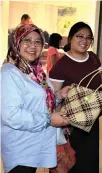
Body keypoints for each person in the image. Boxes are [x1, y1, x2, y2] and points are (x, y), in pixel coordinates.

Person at [49, 21, 102, 173]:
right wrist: (61, 124)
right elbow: (54, 98)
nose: (84, 40)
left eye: (88, 37)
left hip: (92, 121)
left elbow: (99, 82)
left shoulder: (93, 58)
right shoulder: (61, 65)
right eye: (79, 36)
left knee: (89, 163)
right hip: (71, 125)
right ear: (70, 38)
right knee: (72, 164)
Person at [1, 24, 70, 173]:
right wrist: (48, 120)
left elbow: (39, 102)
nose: (33, 46)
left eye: (38, 41)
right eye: (27, 40)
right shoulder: (8, 73)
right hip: (20, 149)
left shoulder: (37, 71)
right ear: (17, 42)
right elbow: (11, 115)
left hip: (35, 146)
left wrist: (58, 96)